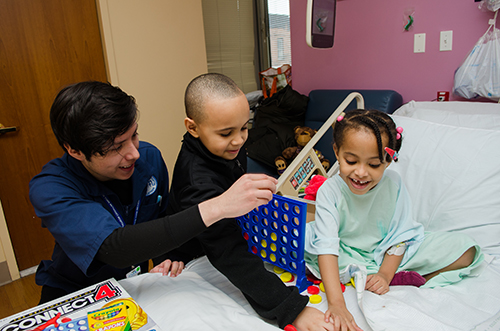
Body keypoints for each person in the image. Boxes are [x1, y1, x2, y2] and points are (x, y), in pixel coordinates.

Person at [29, 81, 278, 304]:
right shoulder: (52, 188)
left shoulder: (148, 159)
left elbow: (160, 214)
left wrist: (167, 255)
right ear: (75, 151)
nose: (134, 153)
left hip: (133, 288)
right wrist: (219, 206)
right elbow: (114, 248)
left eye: (133, 135)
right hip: (78, 295)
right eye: (117, 147)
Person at [165, 73, 333, 331]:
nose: (239, 140)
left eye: (244, 127)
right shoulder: (197, 181)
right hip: (193, 247)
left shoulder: (223, 147)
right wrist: (290, 308)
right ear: (193, 127)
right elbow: (228, 253)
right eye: (226, 133)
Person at [304, 109, 484, 331]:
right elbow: (327, 246)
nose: (361, 172)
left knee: (466, 250)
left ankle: (402, 276)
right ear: (337, 152)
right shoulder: (329, 191)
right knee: (303, 243)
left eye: (373, 165)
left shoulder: (394, 184)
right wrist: (337, 303)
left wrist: (385, 274)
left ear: (388, 161)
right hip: (345, 253)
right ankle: (372, 275)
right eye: (351, 161)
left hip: (387, 255)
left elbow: (402, 234)